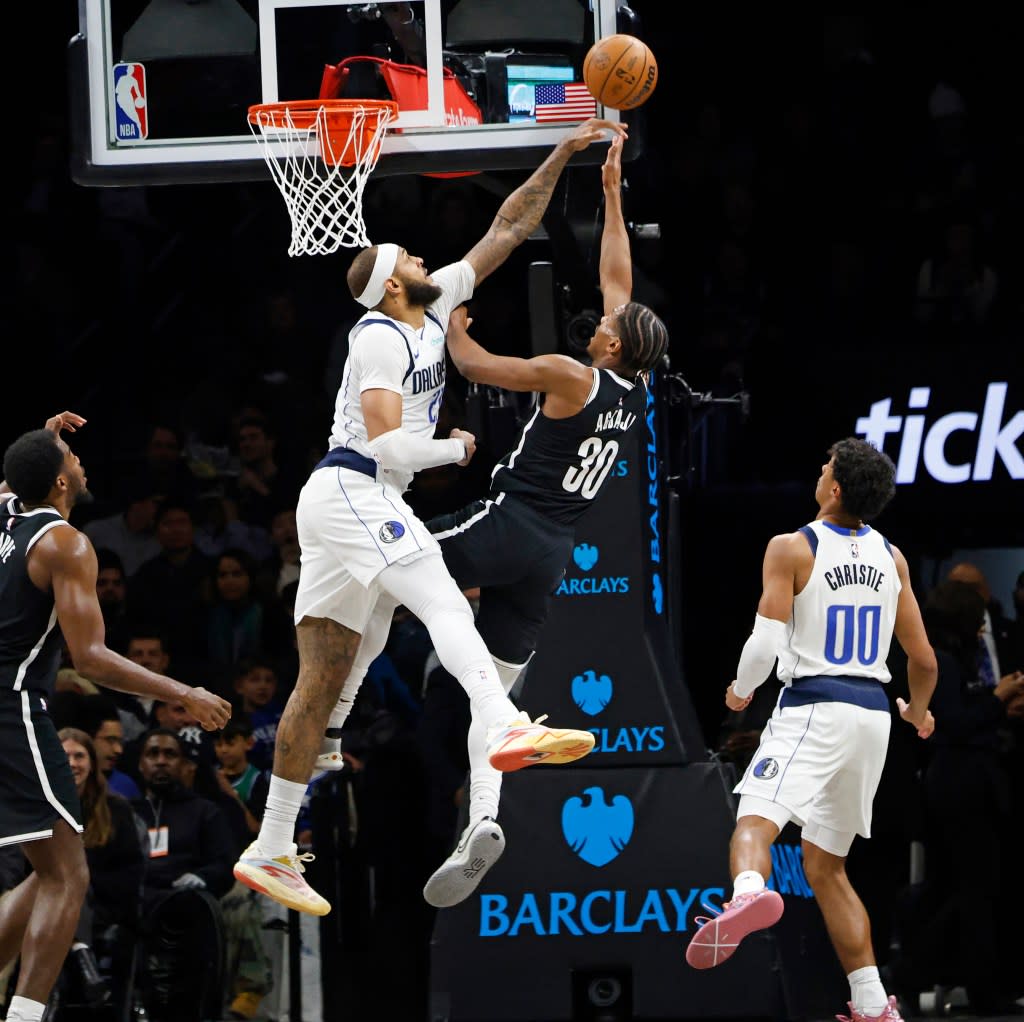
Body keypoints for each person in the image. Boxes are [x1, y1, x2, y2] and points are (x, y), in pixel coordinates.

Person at [232, 118, 625, 917]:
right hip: (355, 486)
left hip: (355, 498)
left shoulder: (435, 303)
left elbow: (509, 226)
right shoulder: (376, 334)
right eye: (408, 259)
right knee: (442, 599)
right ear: (388, 286)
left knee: (328, 671)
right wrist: (450, 449)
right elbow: (386, 443)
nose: (422, 259)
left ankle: (272, 844)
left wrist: (563, 151)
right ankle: (506, 721)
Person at [373, 135, 668, 908]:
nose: (599, 320)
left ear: (611, 344)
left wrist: (456, 322)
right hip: (552, 555)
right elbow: (616, 278)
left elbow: (472, 366)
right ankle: (483, 823)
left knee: (374, 564)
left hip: (507, 524)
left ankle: (334, 728)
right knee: (495, 705)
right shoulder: (631, 396)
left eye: (608, 324)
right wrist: (610, 193)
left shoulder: (571, 373)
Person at [684, 437, 938, 1022]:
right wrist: (918, 713)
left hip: (814, 707)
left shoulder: (792, 547)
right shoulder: (892, 558)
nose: (820, 470)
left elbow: (766, 643)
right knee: (827, 867)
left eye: (826, 465)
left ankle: (746, 895)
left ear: (836, 487)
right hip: (874, 716)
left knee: (753, 819)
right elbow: (924, 662)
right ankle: (875, 1007)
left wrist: (740, 693)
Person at [0, 411, 231, 1022]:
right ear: (58, 485)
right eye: (71, 460)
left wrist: (43, 441)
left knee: (46, 864)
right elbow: (92, 658)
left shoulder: (3, 512)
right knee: (68, 876)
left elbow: (11, 479)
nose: (81, 463)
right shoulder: (65, 544)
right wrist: (183, 690)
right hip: (11, 709)